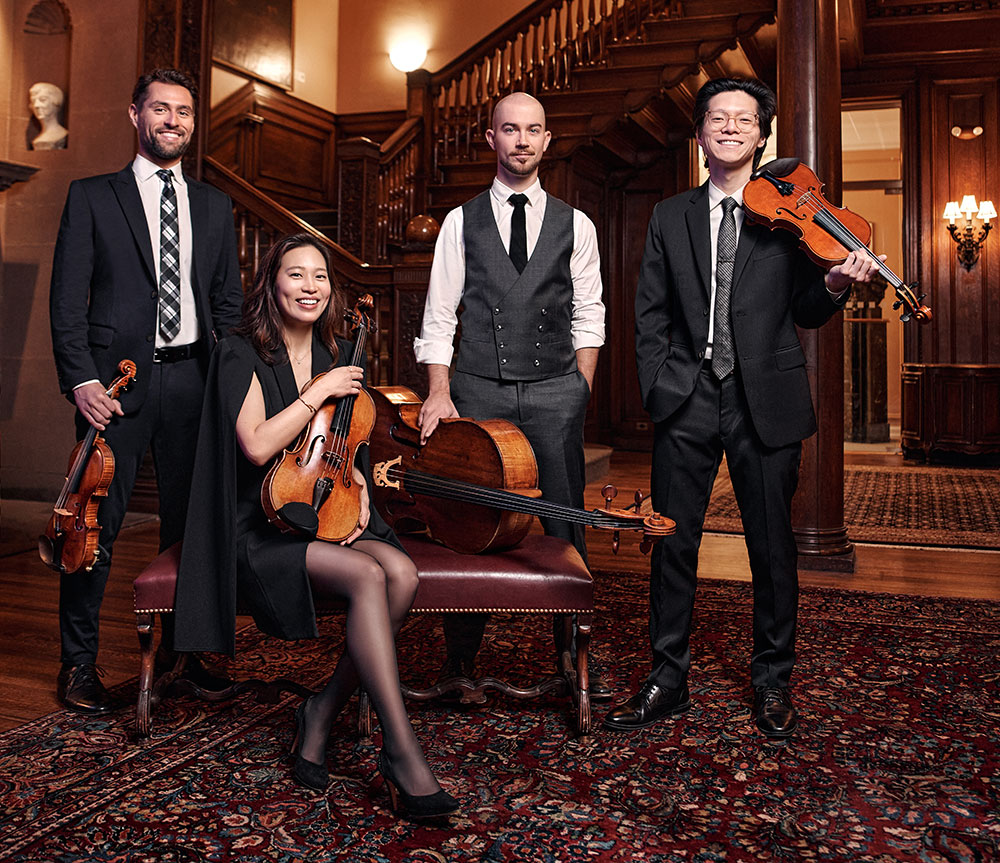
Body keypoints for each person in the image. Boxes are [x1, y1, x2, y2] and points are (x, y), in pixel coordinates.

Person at [604, 77, 880, 739]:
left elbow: (807, 310)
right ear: (700, 135)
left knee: (772, 546)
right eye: (718, 118)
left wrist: (838, 282)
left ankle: (772, 682)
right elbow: (649, 314)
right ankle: (666, 678)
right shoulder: (669, 215)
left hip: (767, 398)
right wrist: (661, 389)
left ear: (761, 137)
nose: (730, 126)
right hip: (687, 396)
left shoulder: (792, 216)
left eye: (744, 119)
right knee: (672, 544)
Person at [172, 234, 458, 817]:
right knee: (368, 577)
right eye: (296, 274)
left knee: (402, 573)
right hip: (261, 527)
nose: (309, 286)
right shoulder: (239, 352)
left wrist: (356, 496)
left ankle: (321, 710)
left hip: (321, 509)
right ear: (272, 284)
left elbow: (341, 447)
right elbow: (255, 446)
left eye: (320, 276)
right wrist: (318, 392)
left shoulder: (334, 356)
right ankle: (400, 750)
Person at [48, 68, 244, 714]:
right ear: (136, 116)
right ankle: (77, 665)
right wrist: (80, 379)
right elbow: (65, 303)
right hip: (115, 387)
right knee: (92, 524)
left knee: (192, 525)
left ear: (193, 122)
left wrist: (233, 384)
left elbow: (227, 306)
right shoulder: (92, 197)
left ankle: (184, 657)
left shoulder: (215, 207)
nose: (173, 121)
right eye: (160, 109)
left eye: (183, 112)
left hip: (193, 381)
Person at [413, 91, 610, 698]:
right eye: (509, 130)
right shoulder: (459, 221)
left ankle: (572, 653)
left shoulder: (577, 225)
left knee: (563, 518)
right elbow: (440, 315)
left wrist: (579, 389)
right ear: (492, 139)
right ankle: (460, 660)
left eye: (533, 131)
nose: (521, 141)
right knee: (469, 522)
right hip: (474, 389)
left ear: (547, 141)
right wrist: (439, 392)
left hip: (555, 391)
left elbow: (590, 314)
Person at [29, 82, 68, 150]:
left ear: (55, 103)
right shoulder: (38, 139)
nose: (36, 105)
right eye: (33, 101)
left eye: (43, 100)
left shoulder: (62, 135)